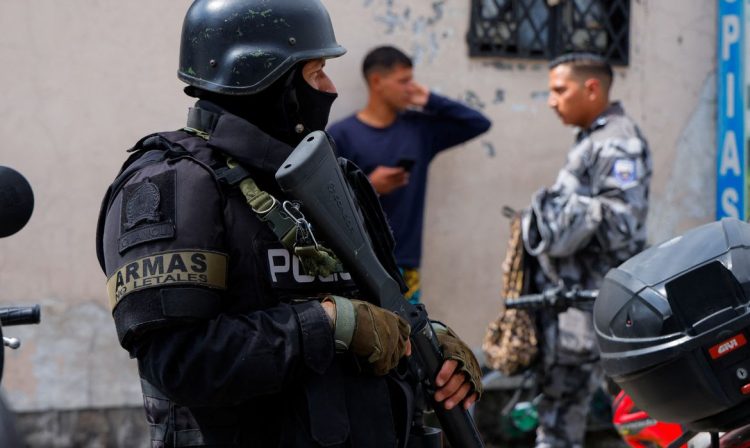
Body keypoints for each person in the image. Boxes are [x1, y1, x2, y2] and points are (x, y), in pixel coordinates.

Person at [94, 1, 482, 447]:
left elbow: (378, 307)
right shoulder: (174, 184)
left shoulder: (336, 180)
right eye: (316, 73)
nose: (331, 88)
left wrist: (428, 344)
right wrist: (327, 324)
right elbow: (179, 361)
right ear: (268, 81)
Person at [521, 53, 652, 448]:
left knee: (639, 413)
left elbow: (622, 222)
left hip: (600, 307)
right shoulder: (594, 137)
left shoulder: (616, 141)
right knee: (560, 412)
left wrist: (552, 215)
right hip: (577, 307)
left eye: (560, 90)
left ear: (591, 88)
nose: (551, 100)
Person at [328, 46, 491, 304]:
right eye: (404, 81)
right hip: (356, 263)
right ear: (377, 82)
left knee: (408, 339)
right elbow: (327, 201)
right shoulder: (341, 135)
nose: (411, 87)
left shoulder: (419, 129)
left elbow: (478, 123)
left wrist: (430, 100)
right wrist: (370, 187)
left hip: (405, 262)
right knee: (361, 341)